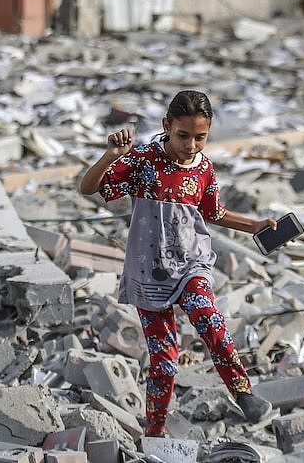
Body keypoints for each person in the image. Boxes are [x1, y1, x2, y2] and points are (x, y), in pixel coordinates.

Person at [79, 90, 275, 437]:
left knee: (209, 321)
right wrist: (110, 156)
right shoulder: (142, 160)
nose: (191, 145)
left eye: (200, 137)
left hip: (191, 263)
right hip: (148, 270)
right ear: (166, 126)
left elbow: (213, 213)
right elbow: (89, 187)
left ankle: (243, 393)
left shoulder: (204, 169)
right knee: (165, 360)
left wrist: (254, 226)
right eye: (183, 136)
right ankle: (155, 431)